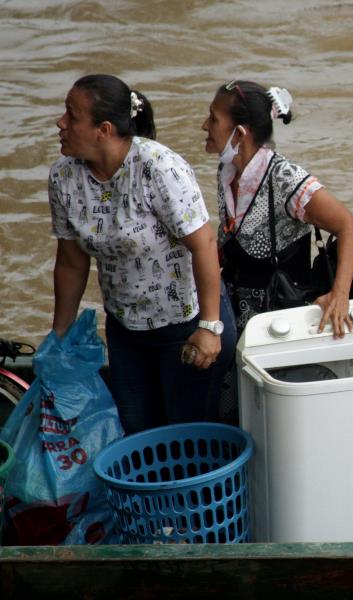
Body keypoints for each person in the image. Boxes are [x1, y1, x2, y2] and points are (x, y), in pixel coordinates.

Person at [49, 74, 235, 435]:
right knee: (136, 432)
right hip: (126, 329)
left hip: (186, 326)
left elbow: (204, 244)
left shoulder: (158, 168)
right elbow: (71, 262)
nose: (61, 123)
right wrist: (59, 337)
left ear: (103, 129)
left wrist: (210, 327)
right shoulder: (63, 178)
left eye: (71, 116)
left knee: (186, 440)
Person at [202, 80, 353, 336]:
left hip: (279, 326)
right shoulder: (226, 169)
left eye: (213, 119)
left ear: (240, 133)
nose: (205, 126)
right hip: (232, 316)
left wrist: (340, 295)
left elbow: (349, 225)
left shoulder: (285, 179)